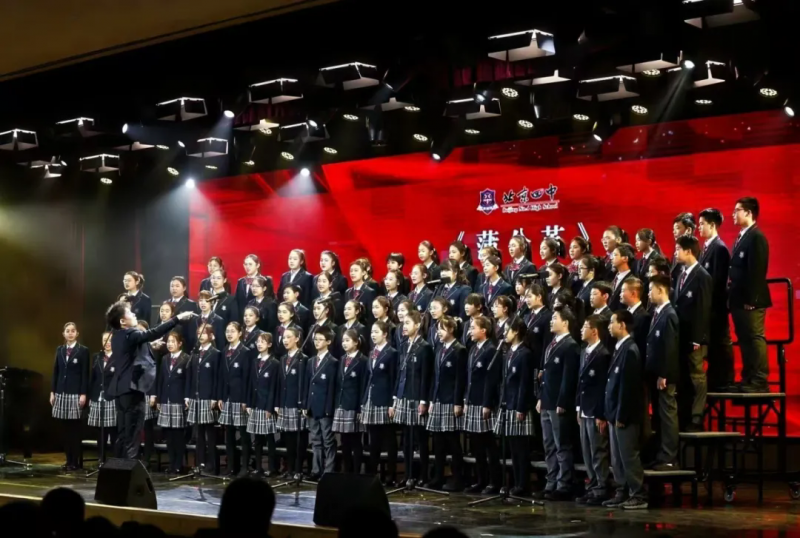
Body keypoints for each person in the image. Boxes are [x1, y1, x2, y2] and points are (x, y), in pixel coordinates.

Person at [106, 301, 193, 459]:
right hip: (132, 389)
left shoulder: (117, 336)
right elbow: (152, 332)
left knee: (123, 433)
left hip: (120, 390)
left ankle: (118, 466)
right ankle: (129, 468)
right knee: (133, 432)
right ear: (122, 321)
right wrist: (177, 319)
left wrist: (149, 346)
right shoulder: (130, 333)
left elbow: (131, 351)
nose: (134, 314)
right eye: (130, 313)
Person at [535, 307, 580, 501]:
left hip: (558, 403)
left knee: (562, 444)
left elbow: (568, 378)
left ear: (566, 322)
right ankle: (551, 481)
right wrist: (540, 398)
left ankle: (564, 484)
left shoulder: (570, 346)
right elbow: (545, 375)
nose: (551, 321)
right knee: (549, 444)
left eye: (555, 318)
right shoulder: (551, 344)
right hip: (547, 401)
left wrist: (563, 401)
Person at [604, 310, 646, 510]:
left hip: (625, 416)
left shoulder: (630, 350)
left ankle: (638, 494)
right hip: (614, 413)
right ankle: (622, 491)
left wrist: (621, 414)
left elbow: (628, 388)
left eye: (612, 322)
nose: (609, 326)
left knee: (628, 456)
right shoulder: (619, 348)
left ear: (622, 325)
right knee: (617, 458)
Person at [729, 196, 771, 393]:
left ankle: (760, 379)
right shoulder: (742, 236)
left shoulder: (757, 237)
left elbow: (757, 270)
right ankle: (748, 377)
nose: (733, 214)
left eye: (737, 210)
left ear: (748, 212)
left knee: (754, 338)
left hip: (750, 301)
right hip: (738, 300)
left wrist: (751, 299)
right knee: (744, 339)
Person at [673, 236, 712, 431]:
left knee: (697, 376)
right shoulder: (681, 274)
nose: (675, 253)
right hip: (680, 335)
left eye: (678, 249)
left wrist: (698, 339)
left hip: (695, 337)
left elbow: (703, 309)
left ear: (688, 251)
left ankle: (697, 417)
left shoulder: (702, 276)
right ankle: (684, 415)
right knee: (684, 377)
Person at [391, 310, 433, 484]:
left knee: (420, 438)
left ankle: (423, 476)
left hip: (417, 397)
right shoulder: (403, 345)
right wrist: (395, 398)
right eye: (404, 323)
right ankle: (408, 475)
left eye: (408, 323)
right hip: (404, 395)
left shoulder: (424, 347)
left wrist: (423, 400)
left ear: (417, 325)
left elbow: (426, 376)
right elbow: (400, 373)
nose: (404, 326)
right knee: (406, 439)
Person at [426, 316, 467, 491]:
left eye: (441, 329)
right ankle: (438, 477)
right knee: (438, 442)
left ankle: (458, 478)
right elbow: (434, 377)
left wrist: (457, 402)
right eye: (437, 329)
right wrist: (431, 400)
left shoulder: (459, 350)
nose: (438, 332)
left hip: (450, 400)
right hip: (438, 399)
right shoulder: (439, 348)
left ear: (451, 329)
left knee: (452, 441)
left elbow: (460, 379)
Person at [575, 315, 611, 505]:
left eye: (585, 327)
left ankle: (601, 487)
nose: (582, 330)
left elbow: (602, 387)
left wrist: (600, 413)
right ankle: (592, 485)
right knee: (587, 450)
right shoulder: (584, 351)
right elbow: (580, 382)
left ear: (594, 331)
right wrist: (578, 406)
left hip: (595, 409)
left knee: (598, 449)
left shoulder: (603, 354)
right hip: (584, 408)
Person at [463, 316, 502, 494]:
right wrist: (466, 399)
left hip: (483, 402)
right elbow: (469, 378)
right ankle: (481, 480)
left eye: (473, 328)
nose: (469, 331)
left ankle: (494, 481)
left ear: (483, 330)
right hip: (472, 401)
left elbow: (491, 380)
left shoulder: (491, 350)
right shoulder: (473, 349)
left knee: (488, 444)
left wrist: (487, 403)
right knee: (476, 445)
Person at [698, 207, 735, 391]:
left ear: (712, 225)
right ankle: (715, 380)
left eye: (702, 224)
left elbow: (719, 281)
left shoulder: (719, 249)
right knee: (712, 346)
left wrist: (711, 304)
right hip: (708, 307)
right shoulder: (705, 249)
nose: (699, 227)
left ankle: (725, 380)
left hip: (716, 307)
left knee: (721, 342)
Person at [495, 318, 533, 496]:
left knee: (521, 448)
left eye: (507, 330)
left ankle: (523, 484)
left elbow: (525, 383)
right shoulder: (508, 352)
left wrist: (521, 407)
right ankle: (514, 482)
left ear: (516, 331)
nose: (504, 333)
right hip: (507, 403)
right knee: (511, 447)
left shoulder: (525, 354)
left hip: (518, 405)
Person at [646, 275, 680, 470]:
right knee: (659, 416)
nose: (648, 294)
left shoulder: (669, 315)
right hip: (655, 374)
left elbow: (670, 348)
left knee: (667, 415)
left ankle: (669, 457)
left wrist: (664, 374)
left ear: (660, 290)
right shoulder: (657, 312)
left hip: (664, 376)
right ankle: (660, 454)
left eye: (651, 290)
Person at [362, 320, 398, 486]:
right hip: (371, 398)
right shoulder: (372, 353)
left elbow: (393, 379)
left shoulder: (392, 353)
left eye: (376, 332)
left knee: (389, 439)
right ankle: (373, 473)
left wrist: (392, 402)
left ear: (385, 334)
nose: (373, 335)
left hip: (385, 399)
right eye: (372, 332)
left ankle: (391, 474)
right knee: (373, 439)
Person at [51, 322, 89, 471]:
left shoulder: (83, 350)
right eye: (68, 331)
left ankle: (75, 461)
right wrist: (52, 391)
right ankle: (68, 460)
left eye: (73, 331)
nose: (70, 333)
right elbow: (56, 371)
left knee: (74, 429)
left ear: (77, 333)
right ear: (63, 334)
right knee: (65, 429)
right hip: (61, 392)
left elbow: (85, 374)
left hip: (75, 393)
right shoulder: (59, 350)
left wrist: (83, 393)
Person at [304, 326, 338, 479]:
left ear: (328, 342)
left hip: (325, 407)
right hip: (312, 406)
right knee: (315, 440)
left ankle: (329, 470)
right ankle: (316, 470)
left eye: (320, 339)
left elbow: (332, 388)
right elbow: (307, 384)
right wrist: (306, 404)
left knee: (328, 440)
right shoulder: (311, 361)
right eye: (315, 339)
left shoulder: (332, 362)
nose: (317, 342)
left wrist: (329, 409)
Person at [218, 322, 252, 477]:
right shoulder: (224, 351)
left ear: (240, 333)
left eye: (232, 331)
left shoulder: (245, 352)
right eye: (227, 331)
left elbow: (247, 378)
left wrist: (245, 400)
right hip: (227, 397)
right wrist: (221, 396)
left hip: (240, 397)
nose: (229, 334)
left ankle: (245, 467)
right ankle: (231, 466)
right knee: (229, 435)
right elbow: (221, 376)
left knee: (244, 435)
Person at [186, 324, 221, 474]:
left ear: (211, 336)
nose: (201, 336)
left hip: (208, 397)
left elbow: (217, 377)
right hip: (196, 396)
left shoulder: (215, 353)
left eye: (204, 333)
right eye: (199, 333)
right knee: (198, 433)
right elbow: (190, 376)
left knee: (210, 433)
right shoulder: (195, 353)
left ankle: (212, 464)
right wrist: (188, 395)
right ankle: (200, 463)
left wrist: (215, 397)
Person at [155, 331, 190, 474]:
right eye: (168, 341)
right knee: (168, 435)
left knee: (178, 435)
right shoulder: (164, 359)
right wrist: (159, 398)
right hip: (166, 399)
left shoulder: (186, 358)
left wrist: (187, 397)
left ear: (180, 343)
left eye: (173, 341)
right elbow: (161, 380)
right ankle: (171, 463)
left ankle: (178, 464)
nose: (170, 344)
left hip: (178, 400)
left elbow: (188, 381)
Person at [333, 329, 367, 474]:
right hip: (341, 404)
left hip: (354, 405)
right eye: (343, 341)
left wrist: (360, 408)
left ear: (356, 342)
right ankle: (346, 471)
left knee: (356, 441)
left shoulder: (362, 360)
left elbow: (363, 385)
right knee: (344, 441)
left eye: (347, 340)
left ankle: (357, 472)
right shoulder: (342, 359)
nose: (344, 343)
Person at [276, 327, 308, 478]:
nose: (285, 340)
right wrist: (278, 403)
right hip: (285, 403)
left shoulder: (303, 359)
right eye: (284, 337)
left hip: (297, 403)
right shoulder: (282, 359)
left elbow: (305, 383)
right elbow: (279, 383)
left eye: (289, 337)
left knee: (299, 439)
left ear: (297, 338)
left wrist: (304, 404)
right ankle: (289, 469)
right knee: (288, 438)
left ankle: (298, 469)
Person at [247, 333, 280, 477]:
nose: (259, 344)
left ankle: (272, 468)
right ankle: (258, 467)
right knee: (257, 439)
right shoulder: (254, 361)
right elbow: (250, 384)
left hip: (266, 405)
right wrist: (249, 403)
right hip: (255, 404)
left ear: (270, 344)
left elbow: (274, 387)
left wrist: (270, 407)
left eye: (263, 342)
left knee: (270, 438)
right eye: (258, 341)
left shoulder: (274, 363)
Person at [87, 332, 117, 456]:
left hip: (112, 397)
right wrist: (90, 396)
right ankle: (101, 458)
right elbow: (92, 377)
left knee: (113, 430)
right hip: (97, 396)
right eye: (105, 340)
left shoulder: (118, 357)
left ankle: (115, 459)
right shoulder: (97, 356)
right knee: (100, 430)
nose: (107, 342)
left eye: (110, 340)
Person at [236, 254, 273, 319]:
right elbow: (237, 301)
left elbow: (270, 301)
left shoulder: (265, 280)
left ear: (257, 265)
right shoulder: (241, 281)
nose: (247, 267)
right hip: (243, 318)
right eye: (246, 264)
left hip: (260, 318)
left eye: (250, 264)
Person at [346, 259, 378, 325]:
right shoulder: (347, 292)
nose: (352, 273)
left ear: (363, 272)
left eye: (356, 270)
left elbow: (371, 316)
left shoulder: (370, 292)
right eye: (351, 271)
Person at [609, 244, 636, 311]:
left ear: (625, 258)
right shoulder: (614, 278)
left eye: (615, 255)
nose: (611, 258)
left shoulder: (632, 281)